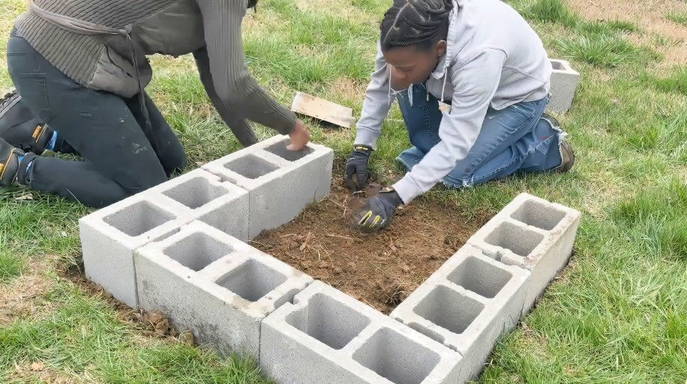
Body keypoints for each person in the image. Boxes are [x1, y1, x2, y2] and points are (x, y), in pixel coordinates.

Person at [0, 0, 310, 207]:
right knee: (146, 190)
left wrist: (252, 149)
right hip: (52, 59)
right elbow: (235, 84)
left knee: (171, 160)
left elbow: (218, 81)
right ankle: (15, 167)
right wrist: (290, 125)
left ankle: (38, 131)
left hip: (99, 65)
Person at [346, 0, 574, 232]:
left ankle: (542, 142)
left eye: (405, 68)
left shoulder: (480, 53)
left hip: (515, 100)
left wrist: (395, 197)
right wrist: (362, 146)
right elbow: (381, 85)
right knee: (427, 150)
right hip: (457, 85)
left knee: (454, 173)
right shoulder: (403, 28)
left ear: (440, 48)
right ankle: (469, 139)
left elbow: (456, 143)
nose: (395, 76)